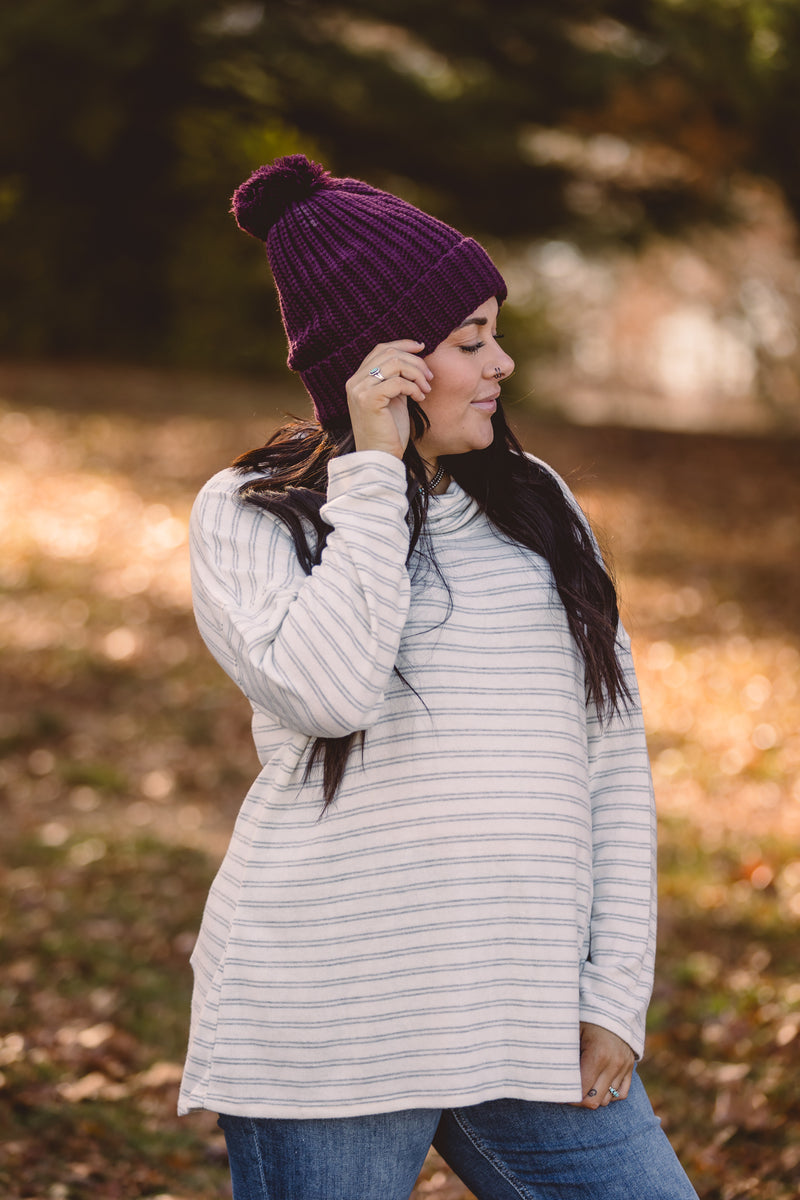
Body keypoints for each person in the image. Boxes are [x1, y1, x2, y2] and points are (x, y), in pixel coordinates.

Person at [178, 153, 699, 1200]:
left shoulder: (537, 505)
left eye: (492, 332)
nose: (500, 363)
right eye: (469, 341)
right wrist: (372, 473)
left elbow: (609, 758)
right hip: (333, 1019)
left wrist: (613, 992)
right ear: (384, 368)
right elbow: (328, 695)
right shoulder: (246, 512)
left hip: (526, 1007)